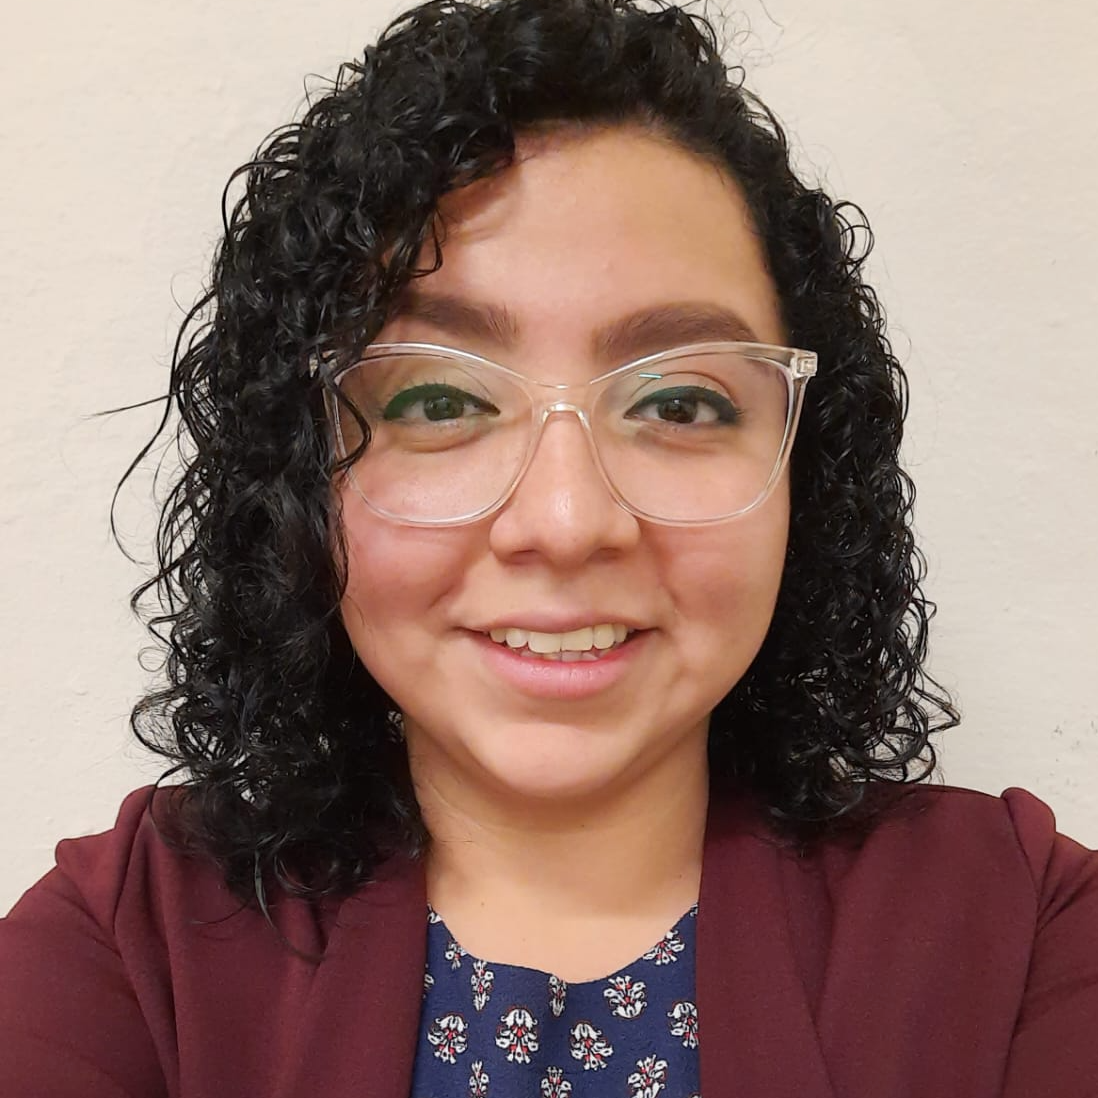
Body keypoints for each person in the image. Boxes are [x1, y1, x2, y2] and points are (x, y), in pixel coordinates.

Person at [1, 0, 1095, 1094]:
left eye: (677, 402)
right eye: (440, 399)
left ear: (805, 470)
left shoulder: (1023, 937)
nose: (567, 525)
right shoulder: (131, 950)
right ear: (297, 473)